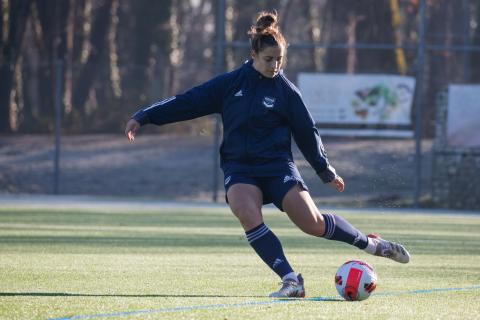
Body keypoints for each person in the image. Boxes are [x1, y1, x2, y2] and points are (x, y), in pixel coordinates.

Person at [125, 11, 410, 298]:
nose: (275, 66)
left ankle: (373, 245)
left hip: (277, 167)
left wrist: (325, 170)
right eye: (269, 59)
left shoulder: (287, 92)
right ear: (254, 55)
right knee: (246, 211)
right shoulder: (230, 84)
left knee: (312, 224)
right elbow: (187, 102)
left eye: (280, 60)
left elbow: (307, 132)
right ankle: (291, 280)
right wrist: (145, 116)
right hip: (240, 167)